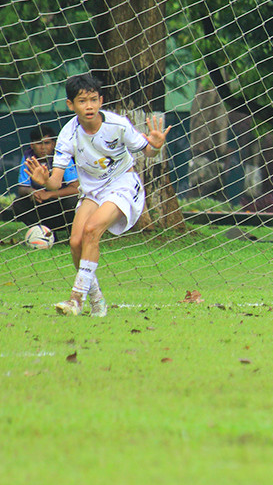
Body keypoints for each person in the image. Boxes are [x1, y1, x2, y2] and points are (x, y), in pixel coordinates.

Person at [25, 74, 171, 317]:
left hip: (123, 184)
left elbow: (148, 152)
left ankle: (76, 299)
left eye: (93, 99)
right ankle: (97, 300)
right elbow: (55, 183)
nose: (89, 106)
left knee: (92, 230)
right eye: (82, 101)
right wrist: (44, 181)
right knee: (75, 243)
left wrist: (155, 145)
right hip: (92, 191)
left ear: (101, 100)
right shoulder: (67, 135)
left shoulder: (118, 124)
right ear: (71, 105)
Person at [1, 125, 79, 233]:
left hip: (62, 204)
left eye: (47, 143)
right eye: (38, 143)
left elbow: (76, 188)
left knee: (74, 200)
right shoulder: (28, 158)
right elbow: (22, 188)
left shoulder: (62, 157)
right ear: (32, 145)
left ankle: (73, 234)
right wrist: (32, 192)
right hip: (42, 203)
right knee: (18, 203)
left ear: (54, 144)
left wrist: (50, 194)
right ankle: (44, 234)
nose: (43, 147)